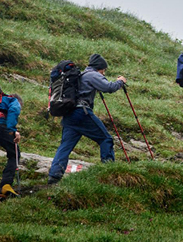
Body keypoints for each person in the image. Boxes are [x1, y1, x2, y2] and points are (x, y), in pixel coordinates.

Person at [48, 54, 126, 183]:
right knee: (105, 139)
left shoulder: (81, 75)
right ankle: (109, 172)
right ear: (99, 68)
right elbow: (109, 87)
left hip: (69, 115)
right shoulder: (92, 75)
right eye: (104, 70)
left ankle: (54, 176)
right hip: (81, 113)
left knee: (65, 146)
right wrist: (121, 81)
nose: (103, 73)